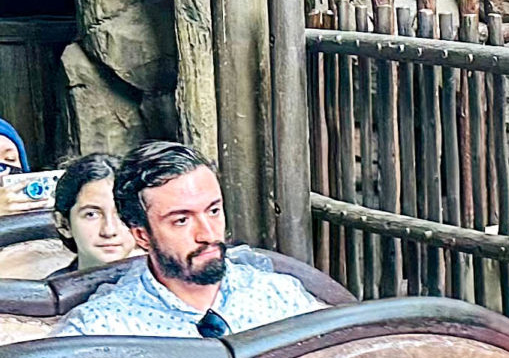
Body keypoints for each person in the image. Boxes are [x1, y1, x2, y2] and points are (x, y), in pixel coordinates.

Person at [56, 141, 319, 337]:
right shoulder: (102, 328)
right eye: (181, 220)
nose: (208, 234)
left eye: (213, 211)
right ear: (142, 235)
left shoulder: (279, 296)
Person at [51, 153, 136, 273]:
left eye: (122, 214)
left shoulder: (167, 283)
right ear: (64, 224)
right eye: (91, 214)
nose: (109, 231)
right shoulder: (46, 290)